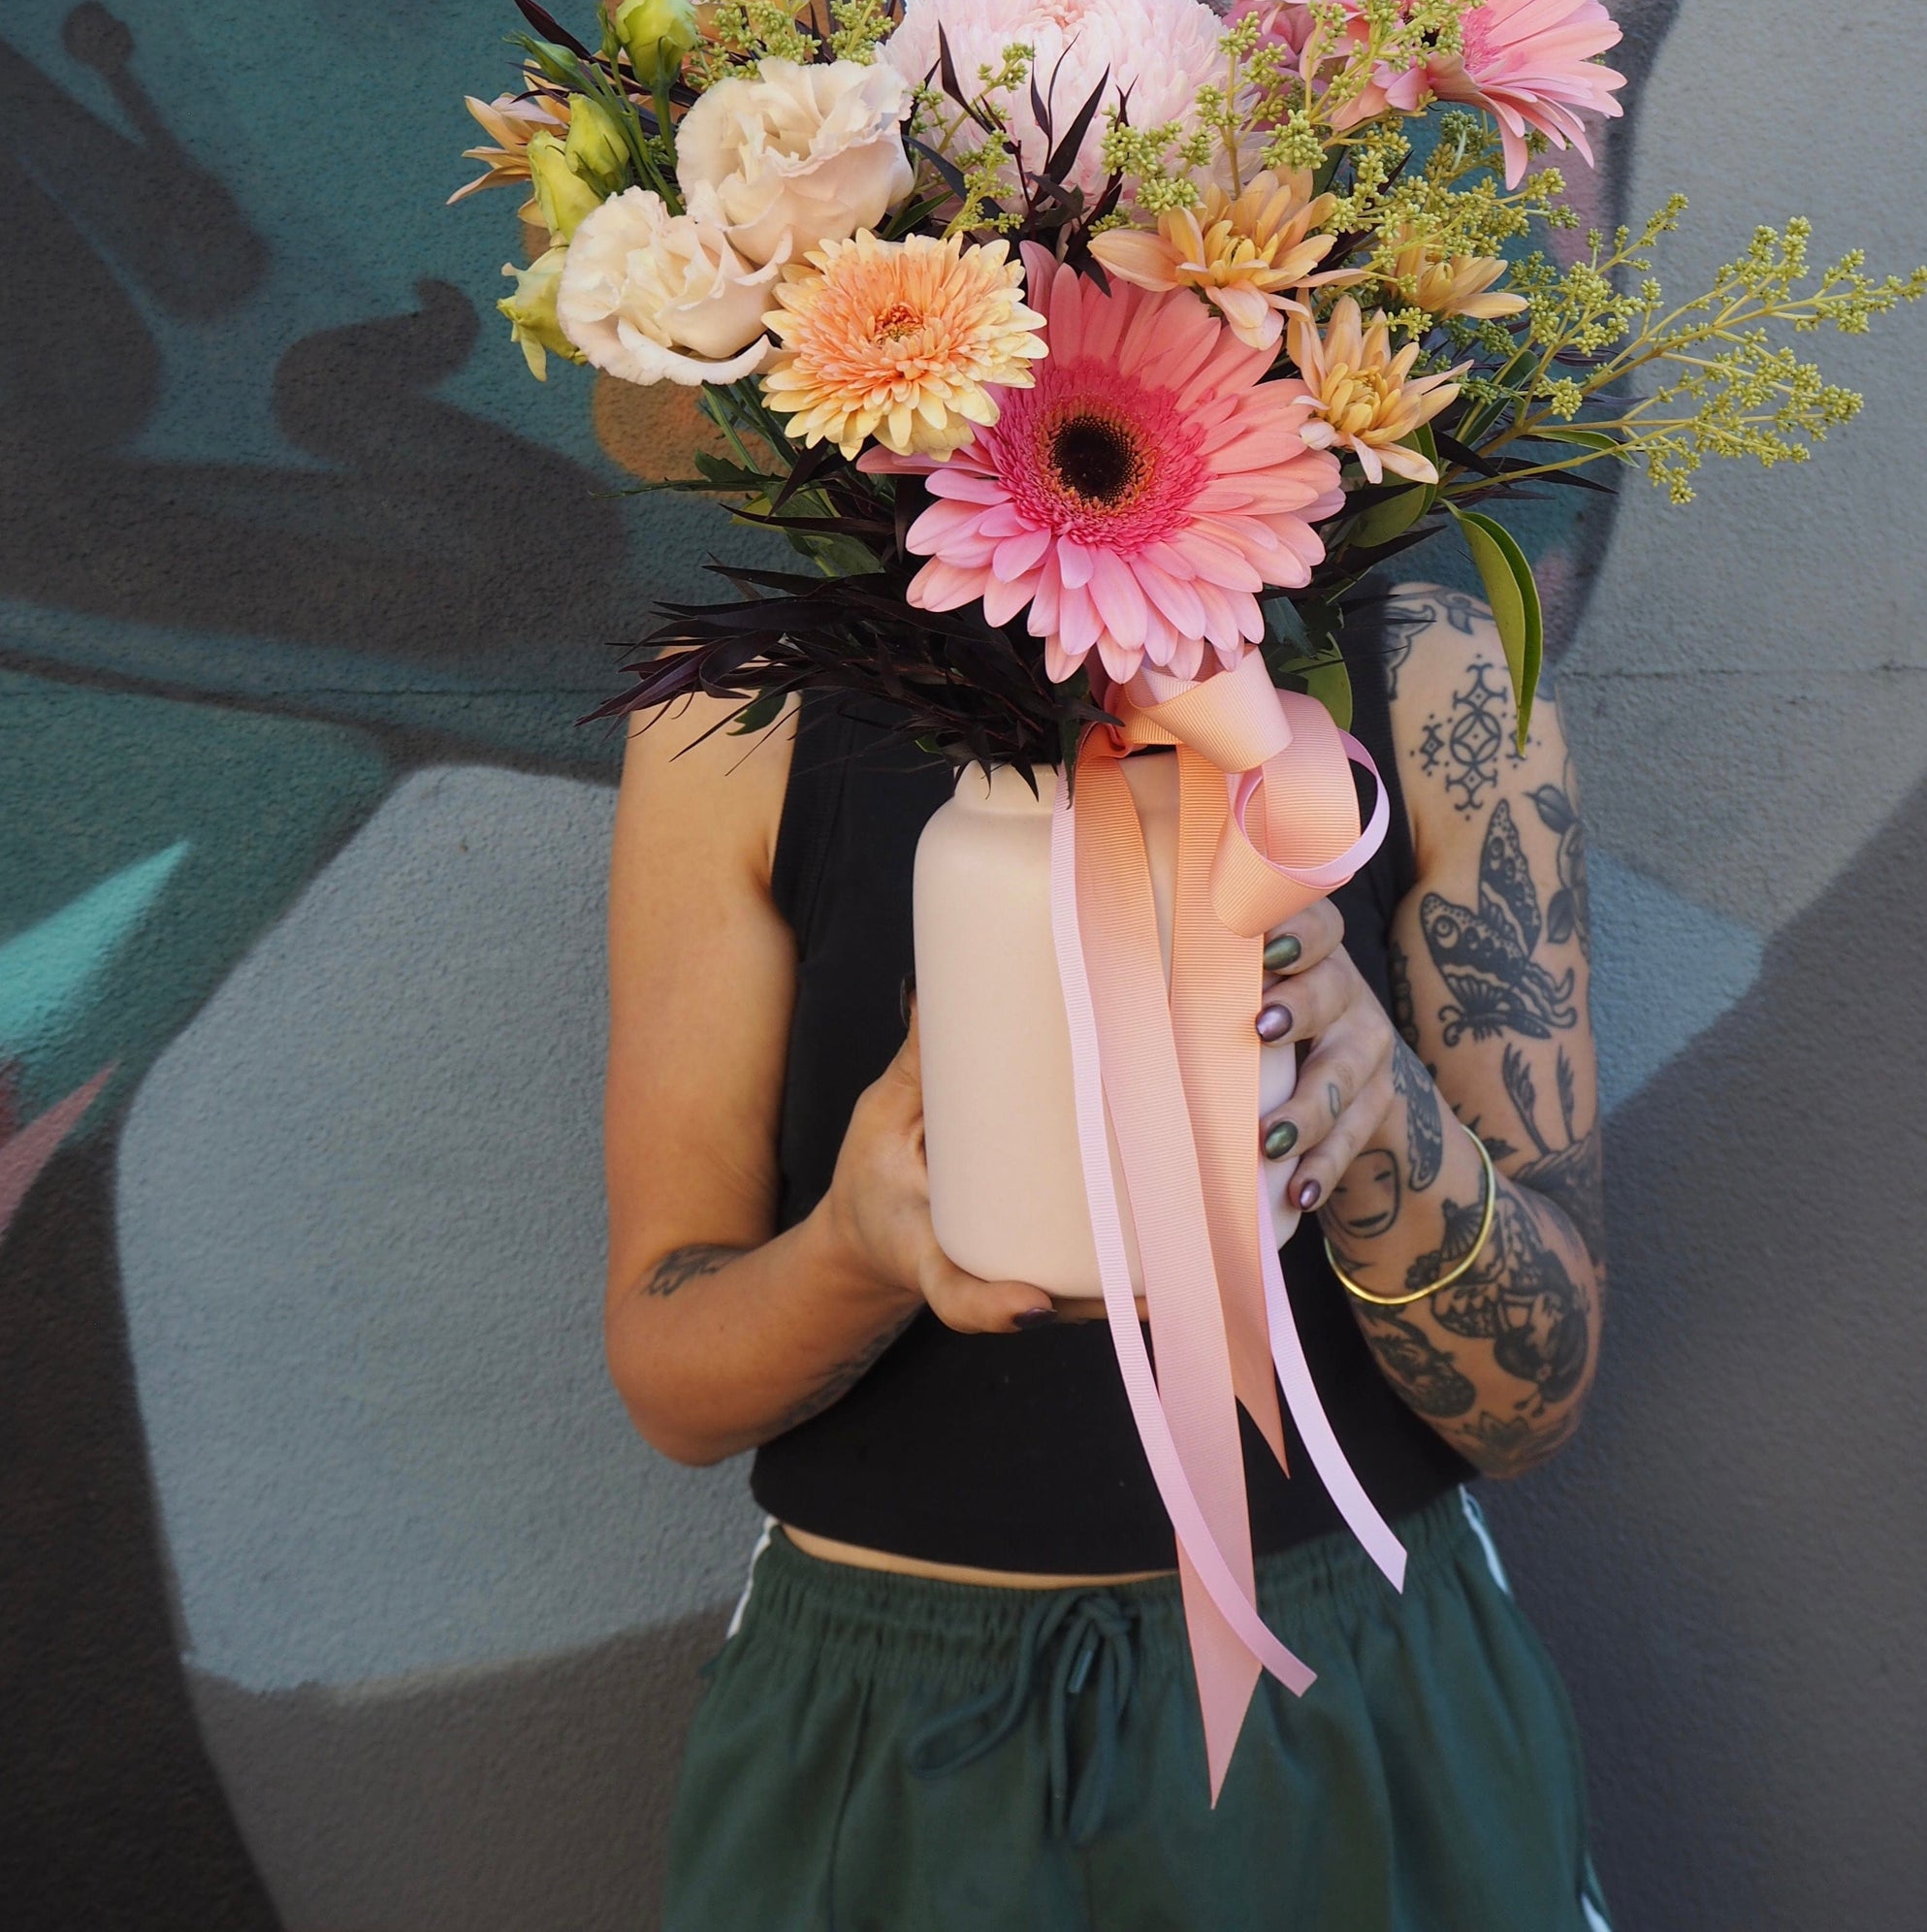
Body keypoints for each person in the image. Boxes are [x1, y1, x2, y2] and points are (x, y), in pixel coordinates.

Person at [604, 584, 1610, 1931]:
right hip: (890, 1750)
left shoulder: (1434, 678)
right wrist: (857, 1243)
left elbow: (1537, 1394)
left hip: (1346, 1716)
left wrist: (1378, 1115)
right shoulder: (744, 704)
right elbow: (671, 1372)